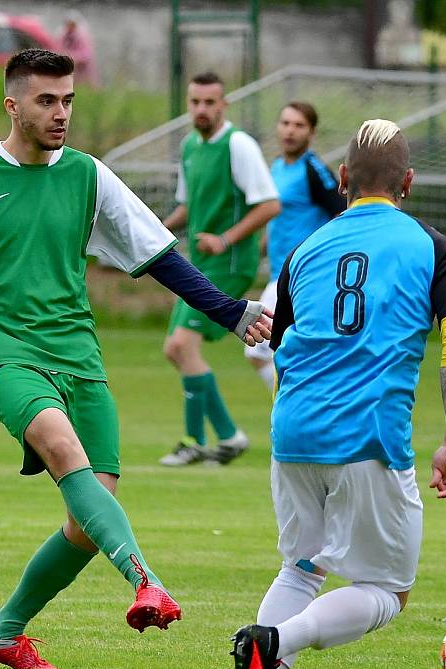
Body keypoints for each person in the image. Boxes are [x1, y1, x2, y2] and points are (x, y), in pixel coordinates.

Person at [0, 49, 271, 669]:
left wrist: (231, 311)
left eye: (68, 101)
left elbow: (159, 255)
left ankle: (3, 633)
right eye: (46, 101)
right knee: (64, 452)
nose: (61, 113)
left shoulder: (88, 175)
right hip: (2, 354)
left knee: (88, 521)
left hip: (79, 355)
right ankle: (146, 580)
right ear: (12, 104)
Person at [224, 119, 446, 669]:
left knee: (302, 568)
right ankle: (274, 642)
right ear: (408, 183)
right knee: (389, 592)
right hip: (368, 436)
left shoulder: (303, 251)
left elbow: (277, 347)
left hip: (293, 431)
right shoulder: (435, 249)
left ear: (341, 180)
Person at [160, 72, 281, 467]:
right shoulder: (190, 146)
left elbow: (268, 205)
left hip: (229, 263)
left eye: (210, 102)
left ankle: (197, 440)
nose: (201, 109)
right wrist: (151, 232)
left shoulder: (238, 144)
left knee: (181, 346)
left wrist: (226, 239)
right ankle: (227, 436)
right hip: (199, 262)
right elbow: (189, 207)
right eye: (195, 102)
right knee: (175, 349)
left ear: (223, 104)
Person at [246, 101, 346, 390]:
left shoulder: (313, 169)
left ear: (312, 133)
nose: (290, 131)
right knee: (277, 350)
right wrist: (258, 250)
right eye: (286, 123)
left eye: (299, 125)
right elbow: (280, 218)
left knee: (259, 347)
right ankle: (300, 409)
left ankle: (294, 408)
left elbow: (342, 213)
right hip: (279, 275)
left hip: (305, 277)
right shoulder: (277, 167)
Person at [51, 11, 99, 87]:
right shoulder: (62, 34)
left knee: (84, 86)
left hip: (82, 70)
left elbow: (87, 54)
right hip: (68, 68)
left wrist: (74, 57)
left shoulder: (83, 35)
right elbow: (56, 49)